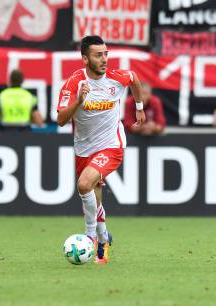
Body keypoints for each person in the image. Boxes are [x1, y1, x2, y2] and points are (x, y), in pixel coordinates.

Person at [56, 35, 145, 264]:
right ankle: (104, 240)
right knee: (94, 196)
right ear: (85, 58)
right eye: (98, 55)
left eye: (106, 53)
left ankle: (90, 236)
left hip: (111, 146)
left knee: (84, 184)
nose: (104, 59)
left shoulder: (116, 77)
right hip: (84, 149)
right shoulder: (74, 83)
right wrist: (78, 101)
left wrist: (139, 107)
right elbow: (61, 120)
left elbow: (134, 79)